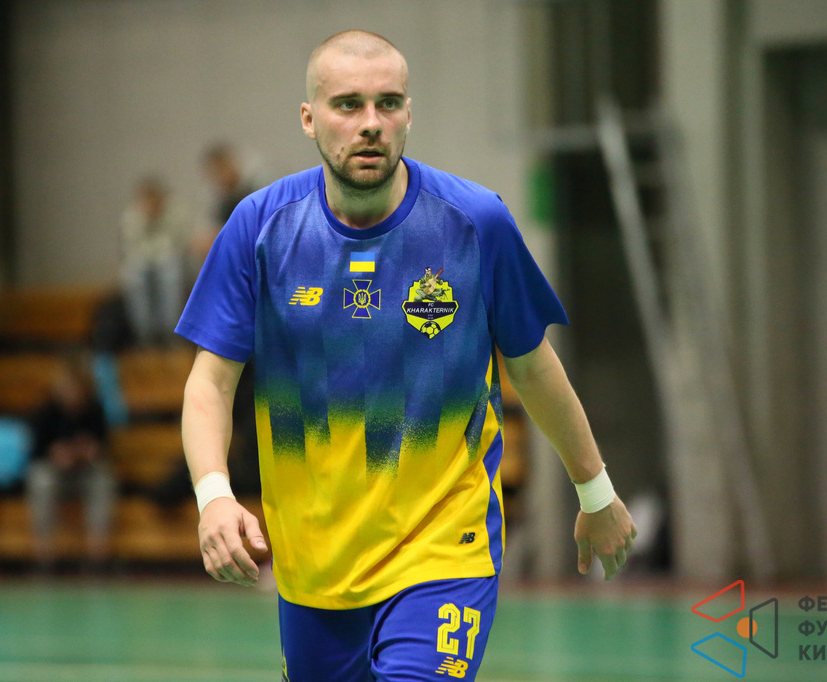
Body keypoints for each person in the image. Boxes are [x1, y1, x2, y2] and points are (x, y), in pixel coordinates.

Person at [177, 30, 637, 681]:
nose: (371, 123)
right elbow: (210, 385)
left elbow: (533, 367)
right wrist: (213, 495)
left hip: (443, 550)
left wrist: (596, 491)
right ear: (308, 118)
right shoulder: (259, 228)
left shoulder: (476, 222)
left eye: (388, 103)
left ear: (408, 114)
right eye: (348, 104)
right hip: (314, 571)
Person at [25, 353, 116, 570]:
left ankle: (98, 552)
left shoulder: (94, 410)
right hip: (54, 472)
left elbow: (103, 447)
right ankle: (44, 552)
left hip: (85, 472)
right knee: (40, 480)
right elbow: (35, 453)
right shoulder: (45, 412)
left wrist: (89, 453)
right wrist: (55, 455)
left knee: (104, 480)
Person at [120, 176, 191, 346]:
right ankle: (144, 335)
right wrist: (146, 221)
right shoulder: (131, 217)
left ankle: (171, 333)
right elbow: (130, 250)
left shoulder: (175, 213)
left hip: (169, 262)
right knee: (134, 274)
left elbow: (179, 245)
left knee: (169, 271)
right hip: (142, 265)